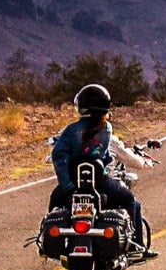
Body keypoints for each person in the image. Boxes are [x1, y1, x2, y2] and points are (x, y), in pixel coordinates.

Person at [48, 84, 158, 261]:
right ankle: (138, 245)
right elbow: (105, 155)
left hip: (73, 184)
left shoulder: (70, 130)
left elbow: (58, 155)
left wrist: (67, 185)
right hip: (101, 183)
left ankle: (50, 243)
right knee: (130, 201)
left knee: (55, 200)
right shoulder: (107, 129)